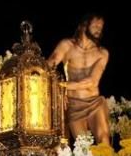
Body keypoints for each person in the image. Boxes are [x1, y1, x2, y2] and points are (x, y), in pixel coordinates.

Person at [46, 13, 111, 145]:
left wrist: (62, 85)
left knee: (104, 138)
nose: (99, 29)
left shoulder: (102, 53)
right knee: (83, 146)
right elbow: (48, 66)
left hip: (94, 102)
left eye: (101, 27)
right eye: (95, 25)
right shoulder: (67, 46)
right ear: (84, 25)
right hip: (74, 104)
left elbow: (92, 82)